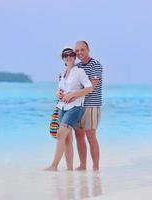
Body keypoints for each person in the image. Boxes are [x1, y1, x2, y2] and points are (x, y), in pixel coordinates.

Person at [46, 47, 93, 171]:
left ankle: (54, 166)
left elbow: (89, 88)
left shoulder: (79, 72)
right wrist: (58, 94)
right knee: (67, 138)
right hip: (62, 107)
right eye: (65, 55)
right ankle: (69, 169)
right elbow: (60, 89)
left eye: (71, 55)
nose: (68, 57)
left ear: (74, 56)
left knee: (61, 135)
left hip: (75, 107)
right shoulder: (62, 73)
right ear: (63, 58)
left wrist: (72, 95)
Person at [74, 41, 103, 171]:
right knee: (78, 135)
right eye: (77, 50)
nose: (80, 52)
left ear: (88, 49)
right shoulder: (77, 67)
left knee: (90, 134)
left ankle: (96, 167)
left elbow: (91, 88)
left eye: (82, 50)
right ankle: (82, 165)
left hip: (92, 105)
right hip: (78, 105)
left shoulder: (95, 65)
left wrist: (72, 94)